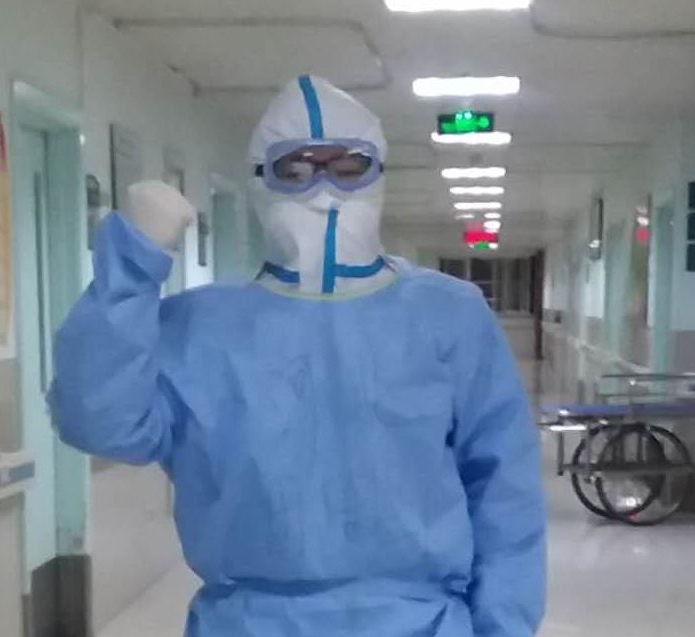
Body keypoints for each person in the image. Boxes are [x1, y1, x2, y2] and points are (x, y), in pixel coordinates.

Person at [50, 75, 546, 637]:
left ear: (379, 171)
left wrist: (502, 626)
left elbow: (504, 488)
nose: (324, 189)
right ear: (261, 179)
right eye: (296, 169)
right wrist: (132, 267)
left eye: (348, 166)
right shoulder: (198, 327)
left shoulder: (447, 315)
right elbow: (101, 423)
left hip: (421, 623)